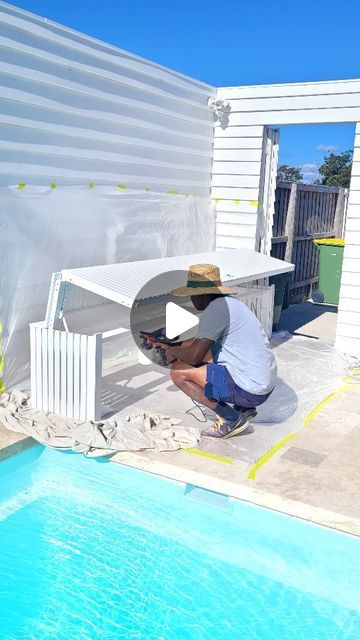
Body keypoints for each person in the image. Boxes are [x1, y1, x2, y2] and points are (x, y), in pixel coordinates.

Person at [161, 263, 277, 439]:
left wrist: (173, 353)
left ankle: (232, 419)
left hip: (251, 390)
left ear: (201, 294)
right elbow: (201, 343)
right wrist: (173, 345)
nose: (192, 301)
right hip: (263, 384)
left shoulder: (215, 310)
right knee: (205, 360)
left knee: (179, 372)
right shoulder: (230, 304)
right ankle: (244, 408)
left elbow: (195, 356)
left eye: (192, 296)